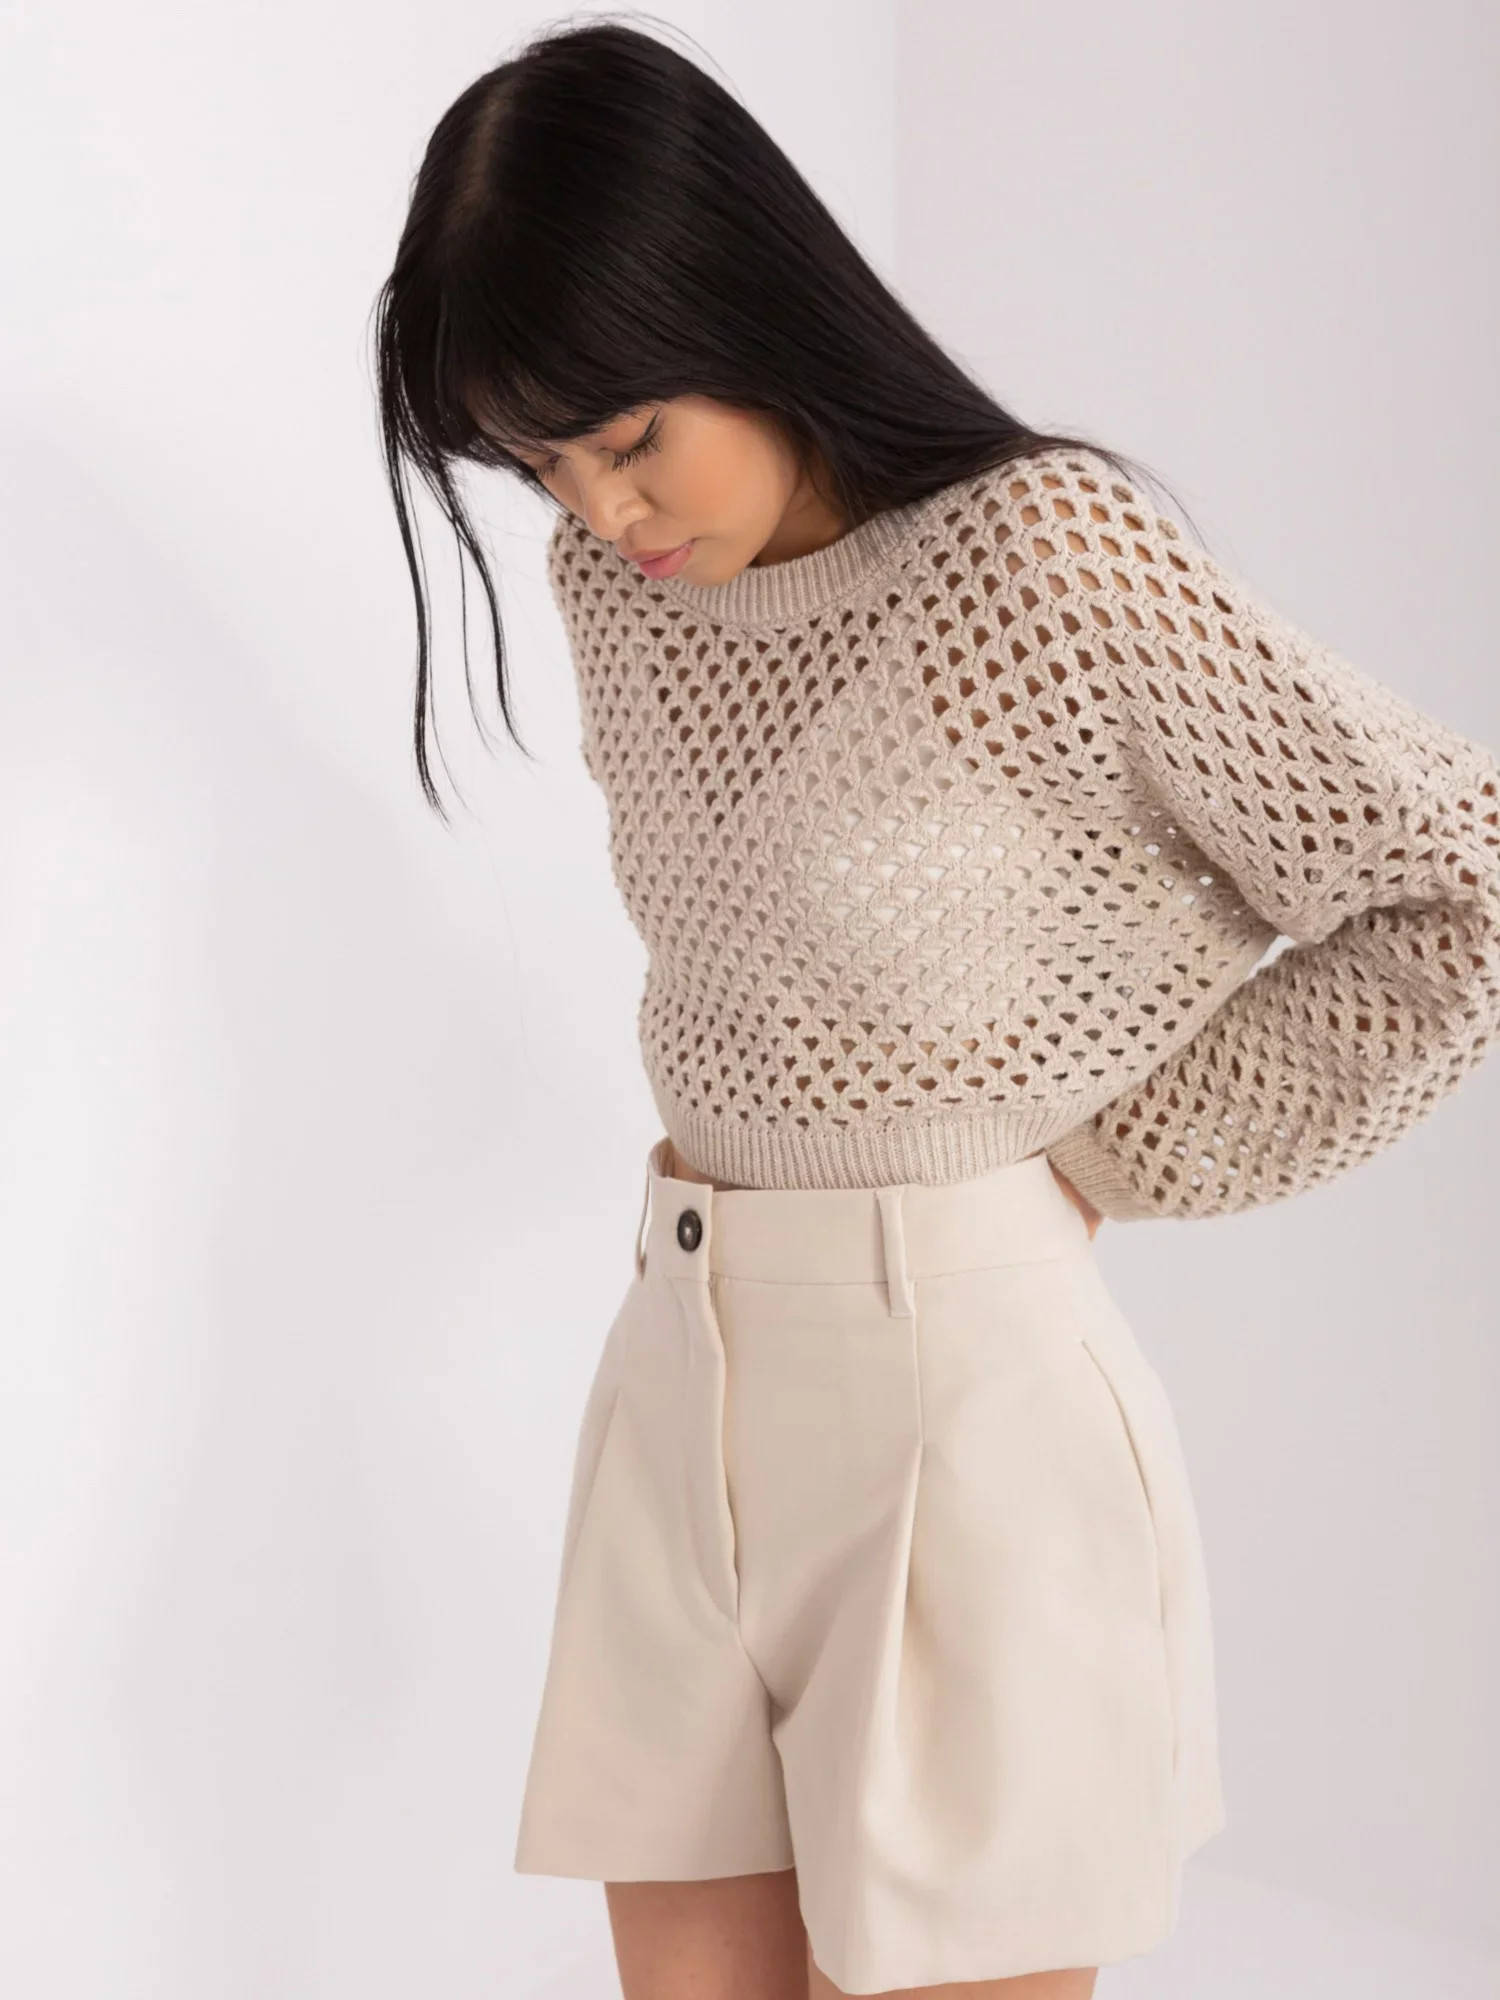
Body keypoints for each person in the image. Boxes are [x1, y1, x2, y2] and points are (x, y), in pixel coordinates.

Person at [370, 20, 1500, 2000]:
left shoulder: (1042, 565)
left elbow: (1457, 878)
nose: (603, 511)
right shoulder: (619, 595)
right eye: (540, 464)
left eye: (627, 437)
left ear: (736, 301)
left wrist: (1120, 1151)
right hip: (676, 1375)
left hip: (961, 1417)